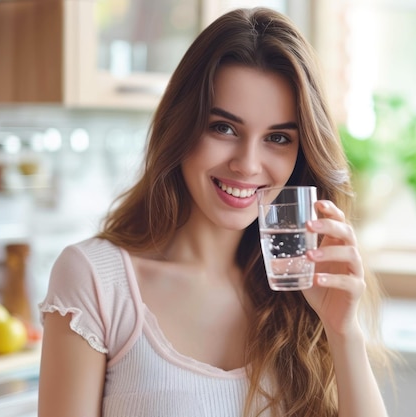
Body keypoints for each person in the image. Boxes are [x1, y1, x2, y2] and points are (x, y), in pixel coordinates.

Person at [38, 7, 392, 417]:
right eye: (224, 128)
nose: (247, 164)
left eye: (277, 137)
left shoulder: (302, 296)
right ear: (181, 126)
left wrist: (342, 330)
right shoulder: (96, 281)